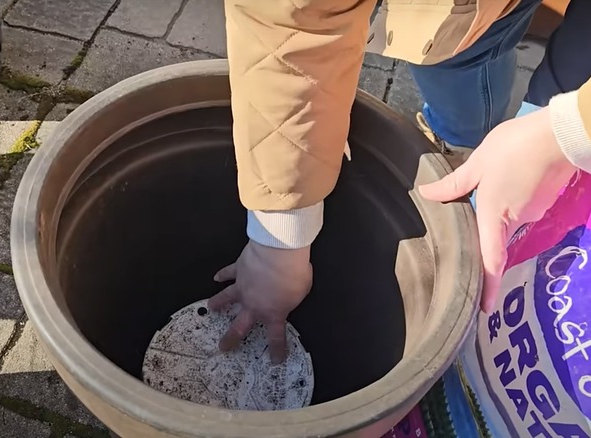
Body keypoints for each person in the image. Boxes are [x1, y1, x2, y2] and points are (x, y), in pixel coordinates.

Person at [210, 0, 591, 364]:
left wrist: (564, 130)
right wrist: (279, 240)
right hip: (460, 19)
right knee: (457, 61)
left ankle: (474, 147)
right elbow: (289, 26)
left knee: (498, 81)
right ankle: (461, 140)